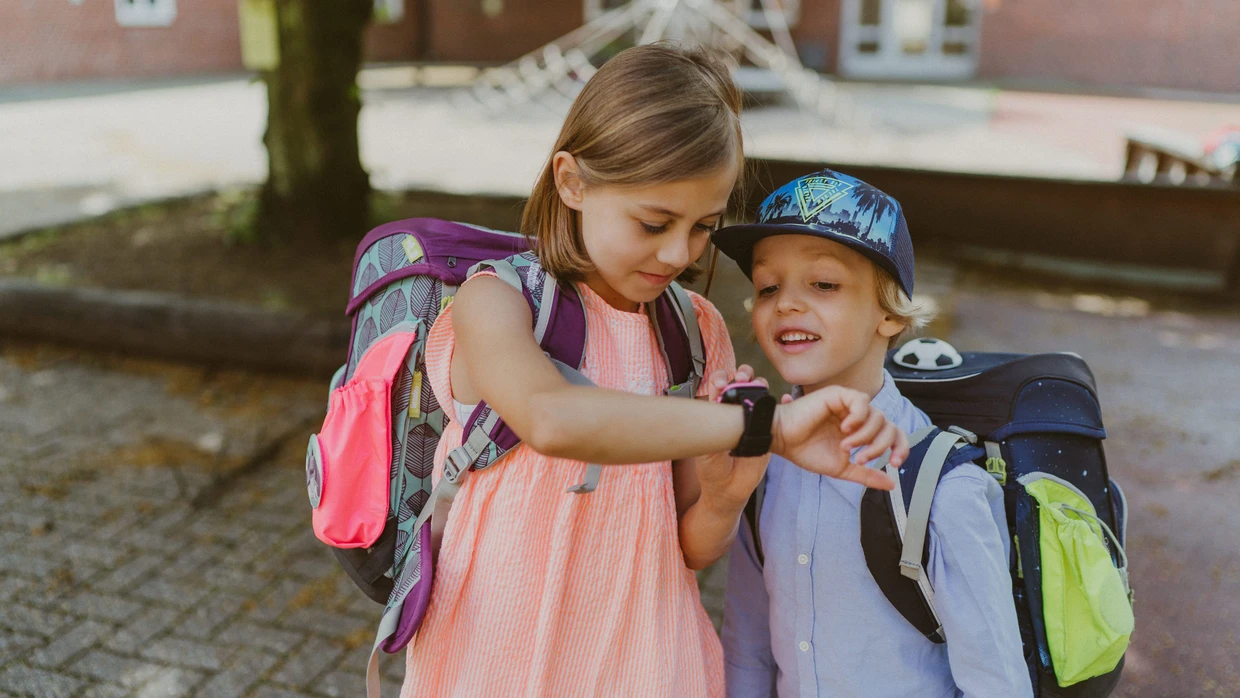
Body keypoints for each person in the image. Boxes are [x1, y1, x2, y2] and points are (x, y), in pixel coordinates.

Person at [399, 47, 908, 697]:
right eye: (654, 222)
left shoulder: (695, 332)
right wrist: (764, 428)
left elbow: (692, 547)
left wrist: (727, 492)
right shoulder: (497, 303)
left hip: (649, 661)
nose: (678, 253)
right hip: (496, 659)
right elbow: (553, 418)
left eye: (703, 226)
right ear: (572, 181)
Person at [713, 169, 1033, 697]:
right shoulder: (762, 461)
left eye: (824, 284)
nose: (787, 302)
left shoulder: (943, 488)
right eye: (768, 286)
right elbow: (746, 645)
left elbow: (996, 682)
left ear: (889, 313)